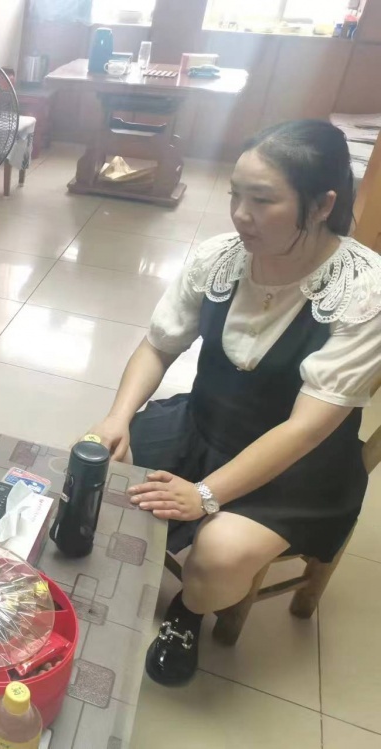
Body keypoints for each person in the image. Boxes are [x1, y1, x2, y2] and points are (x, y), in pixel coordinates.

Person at [88, 120, 381, 686]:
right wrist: (117, 416)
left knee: (218, 555)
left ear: (323, 205)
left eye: (262, 200)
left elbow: (304, 430)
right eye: (235, 195)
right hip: (205, 425)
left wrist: (205, 494)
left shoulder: (363, 290)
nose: (241, 215)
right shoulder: (220, 257)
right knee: (96, 465)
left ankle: (187, 613)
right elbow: (158, 344)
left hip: (299, 466)